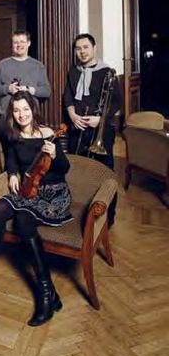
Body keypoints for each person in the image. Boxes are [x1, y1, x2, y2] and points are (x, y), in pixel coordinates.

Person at [0, 92, 72, 327]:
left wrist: (55, 156)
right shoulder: (13, 134)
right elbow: (12, 159)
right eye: (16, 110)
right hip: (27, 188)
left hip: (52, 192)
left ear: (33, 109)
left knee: (23, 223)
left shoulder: (48, 135)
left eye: (25, 109)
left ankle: (47, 292)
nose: (21, 114)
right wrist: (12, 173)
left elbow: (65, 169)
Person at [63, 33, 122, 226]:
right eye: (78, 48)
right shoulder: (74, 71)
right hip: (77, 128)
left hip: (101, 130)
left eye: (85, 47)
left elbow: (117, 102)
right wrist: (72, 114)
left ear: (94, 48)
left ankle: (108, 218)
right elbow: (68, 97)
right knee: (78, 170)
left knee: (104, 172)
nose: (82, 52)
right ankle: (81, 213)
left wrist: (100, 119)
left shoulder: (107, 72)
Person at [0, 30, 50, 160]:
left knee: (31, 156)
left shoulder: (37, 65)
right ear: (12, 44)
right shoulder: (3, 64)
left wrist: (29, 89)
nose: (19, 45)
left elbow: (46, 90)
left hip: (29, 117)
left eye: (22, 42)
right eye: (15, 42)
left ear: (29, 43)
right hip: (7, 117)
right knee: (8, 154)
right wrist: (8, 89)